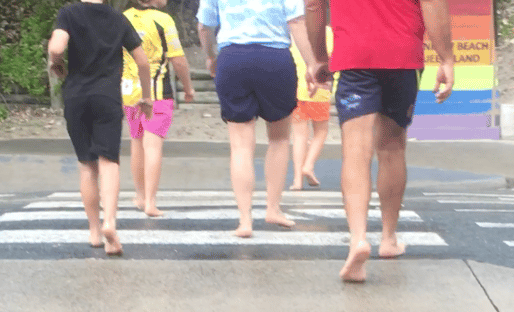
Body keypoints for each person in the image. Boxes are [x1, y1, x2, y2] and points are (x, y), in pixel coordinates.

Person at [304, 0, 456, 282]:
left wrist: (319, 56)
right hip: (402, 55)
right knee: (392, 147)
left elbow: (313, 5)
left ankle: (358, 239)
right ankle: (388, 238)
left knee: (355, 150)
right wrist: (445, 57)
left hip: (354, 56)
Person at [196, 0, 320, 238]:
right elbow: (296, 22)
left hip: (232, 58)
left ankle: (245, 220)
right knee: (279, 139)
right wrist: (311, 64)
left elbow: (204, 26)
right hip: (275, 58)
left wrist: (211, 57)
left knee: (240, 145)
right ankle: (273, 209)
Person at [48, 0, 154, 255]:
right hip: (107, 97)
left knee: (87, 164)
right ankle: (110, 223)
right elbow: (142, 61)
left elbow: (56, 46)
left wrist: (57, 63)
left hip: (76, 97)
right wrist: (147, 97)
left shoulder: (69, 13)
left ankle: (95, 231)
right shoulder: (118, 19)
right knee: (109, 161)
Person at [121, 0, 196, 217]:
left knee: (136, 142)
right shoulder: (163, 20)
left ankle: (140, 195)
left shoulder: (123, 18)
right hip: (156, 92)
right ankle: (151, 202)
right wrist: (188, 87)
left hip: (129, 90)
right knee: (152, 145)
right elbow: (178, 59)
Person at [287, 25, 333, 191]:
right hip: (319, 89)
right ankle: (309, 165)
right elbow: (332, 61)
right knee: (321, 131)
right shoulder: (328, 33)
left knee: (299, 135)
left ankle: (297, 180)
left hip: (296, 89)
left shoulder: (293, 33)